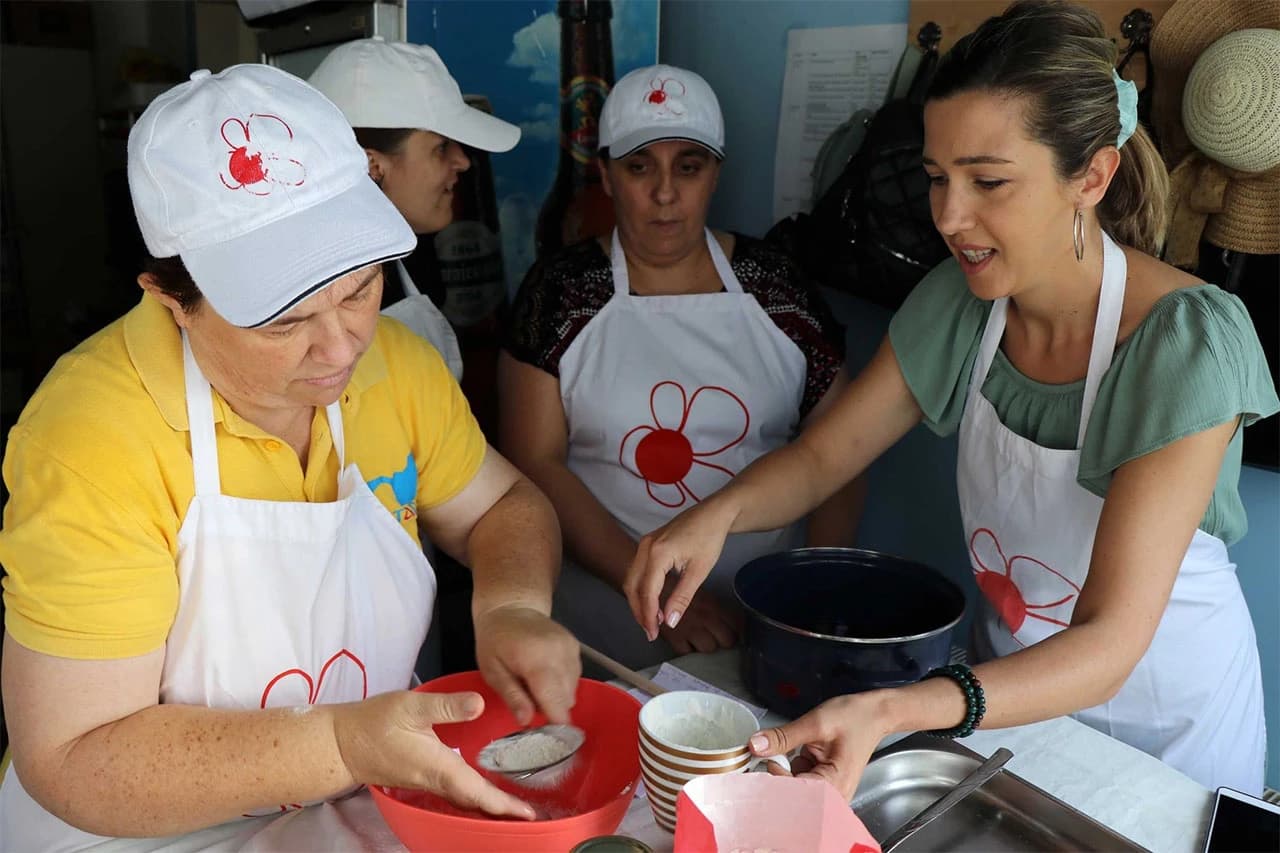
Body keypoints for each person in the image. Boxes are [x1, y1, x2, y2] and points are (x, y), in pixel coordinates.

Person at [624, 0, 1279, 797]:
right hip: (1012, 712)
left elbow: (1110, 641)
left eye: (988, 181)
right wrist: (716, 515)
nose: (949, 216)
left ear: (1092, 177)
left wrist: (905, 706)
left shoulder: (1186, 344)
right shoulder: (962, 303)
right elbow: (827, 455)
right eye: (937, 177)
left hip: (1172, 742)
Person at [0, 64, 580, 850]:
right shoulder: (91, 435)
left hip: (348, 805)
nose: (342, 347)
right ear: (173, 300)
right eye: (284, 320)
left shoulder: (398, 366)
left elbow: (504, 506)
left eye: (359, 288)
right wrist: (339, 742)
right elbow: (73, 758)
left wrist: (511, 604)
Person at [499, 64, 867, 670]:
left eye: (688, 167)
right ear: (607, 176)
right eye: (640, 167)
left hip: (767, 601)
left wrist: (813, 592)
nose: (665, 193)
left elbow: (842, 449)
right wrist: (658, 595)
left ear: (715, 174)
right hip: (609, 605)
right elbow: (534, 462)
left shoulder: (776, 287)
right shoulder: (561, 294)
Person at [308, 37, 522, 381]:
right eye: (440, 147)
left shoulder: (400, 263)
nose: (463, 162)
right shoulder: (319, 312)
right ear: (371, 166)